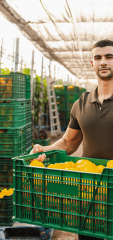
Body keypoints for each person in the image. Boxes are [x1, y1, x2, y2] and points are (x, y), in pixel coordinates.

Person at [30, 39, 113, 240]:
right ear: (92, 64)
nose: (103, 62)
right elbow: (69, 142)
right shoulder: (81, 103)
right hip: (90, 196)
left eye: (109, 57)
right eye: (98, 57)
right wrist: (45, 150)